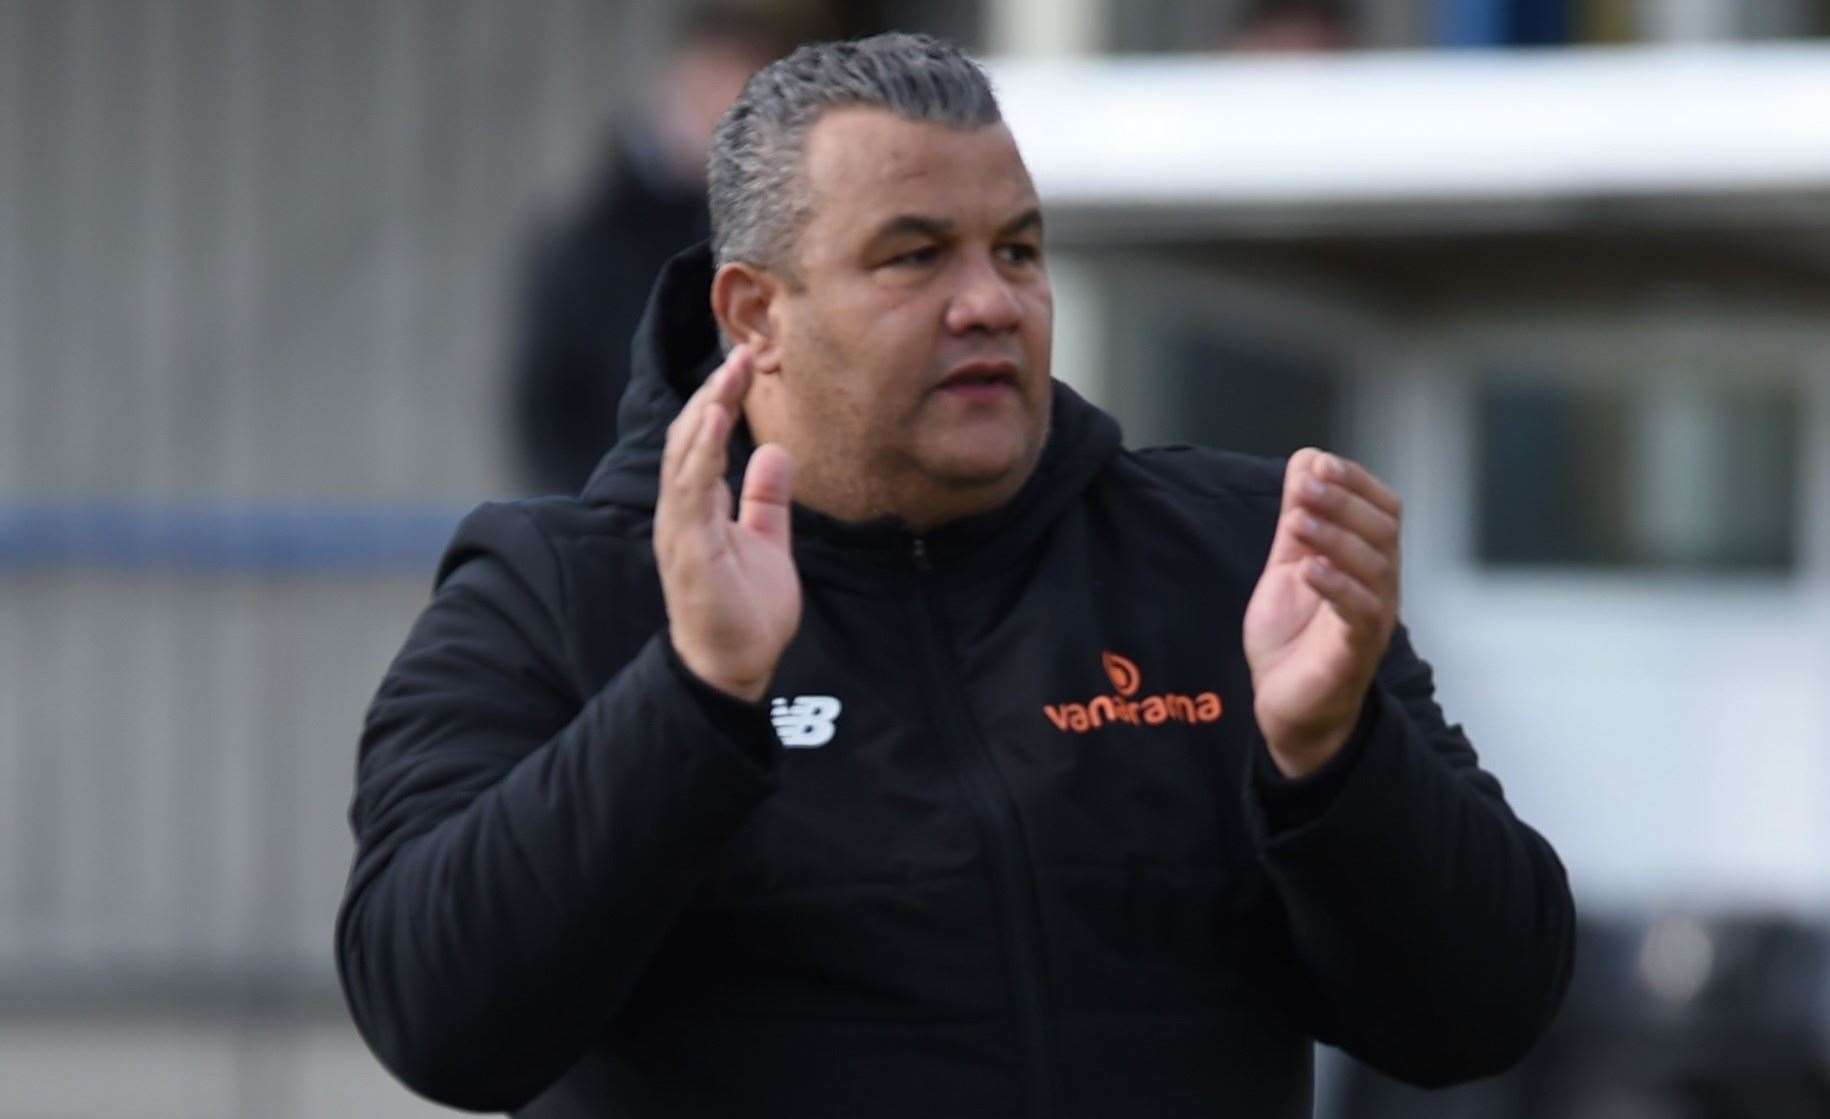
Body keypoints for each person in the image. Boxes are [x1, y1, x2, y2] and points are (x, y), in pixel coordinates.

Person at [338, 32, 1575, 1118]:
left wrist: (1333, 762)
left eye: (1019, 251)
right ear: (753, 314)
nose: (990, 303)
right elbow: (442, 1025)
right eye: (915, 257)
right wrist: (692, 696)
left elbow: (1481, 1016)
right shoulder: (557, 592)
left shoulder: (1231, 563)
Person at [507, 4, 799, 495]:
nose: (718, 118)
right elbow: (548, 405)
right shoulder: (590, 239)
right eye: (709, 91)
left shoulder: (786, 236)